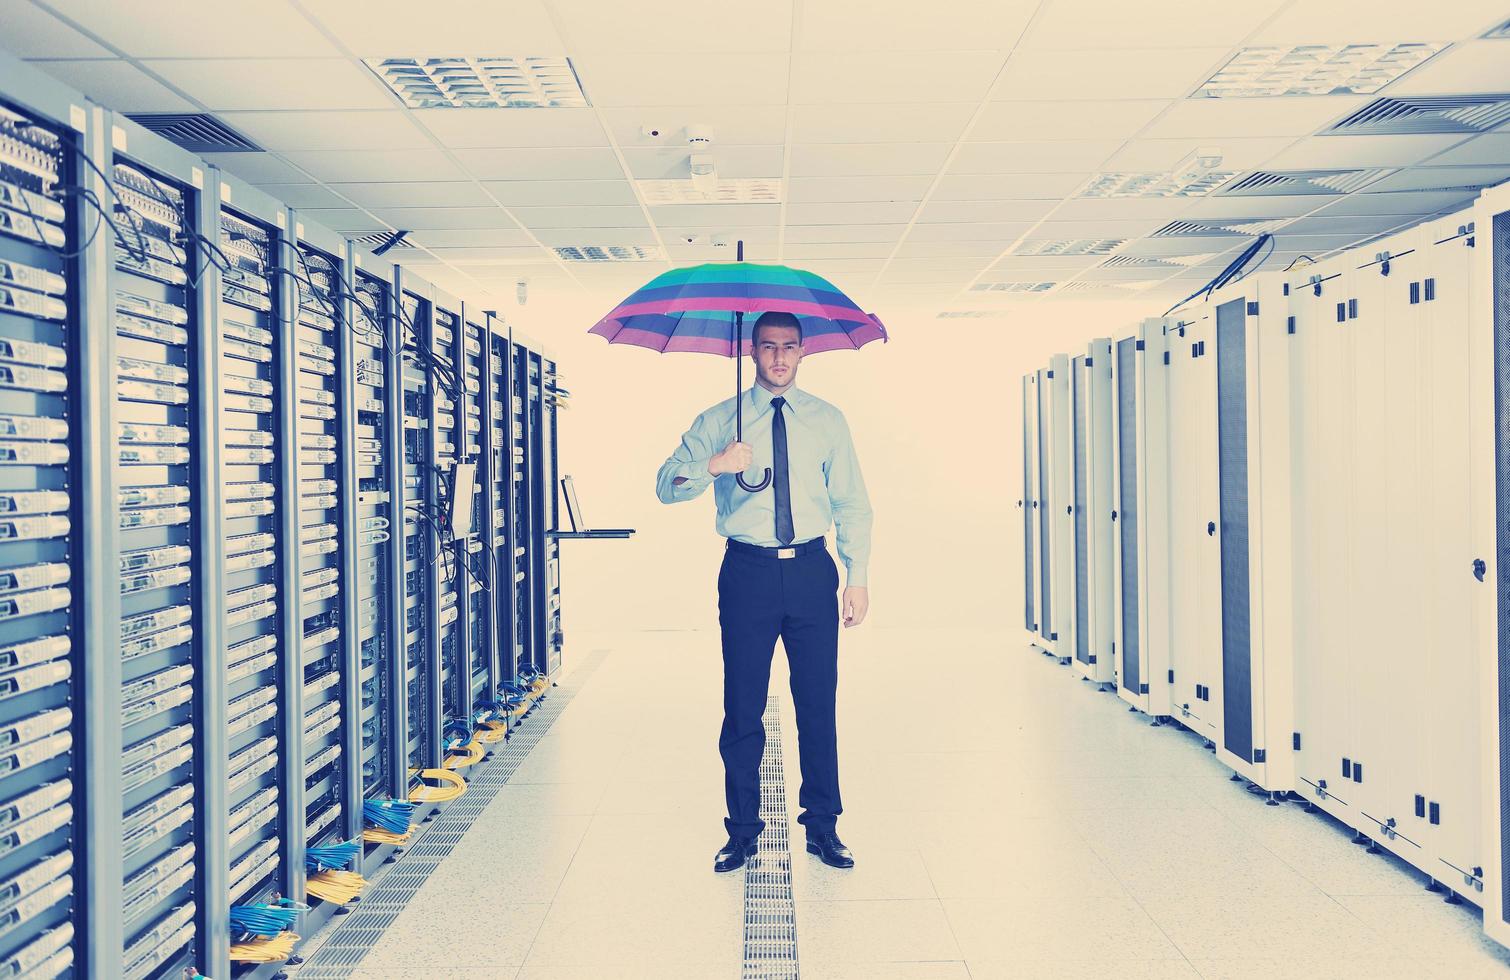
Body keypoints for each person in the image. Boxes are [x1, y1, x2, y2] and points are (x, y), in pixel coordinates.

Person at [655, 310, 873, 873]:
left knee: (817, 703)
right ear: (750, 351)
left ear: (804, 353)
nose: (779, 357)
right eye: (769, 346)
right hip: (746, 573)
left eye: (790, 347)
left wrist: (858, 576)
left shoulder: (827, 421)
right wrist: (714, 463)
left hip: (810, 571)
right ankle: (743, 831)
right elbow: (666, 487)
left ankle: (823, 828)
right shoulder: (720, 419)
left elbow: (851, 502)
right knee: (742, 706)